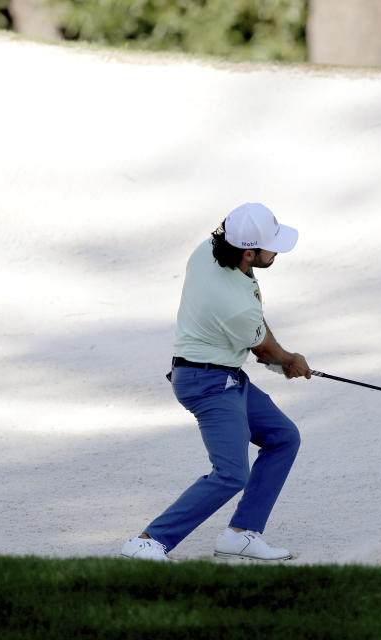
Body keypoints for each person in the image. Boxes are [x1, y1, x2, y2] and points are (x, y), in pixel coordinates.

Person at [121, 202, 311, 562]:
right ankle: (148, 540)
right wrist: (289, 360)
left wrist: (275, 358)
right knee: (230, 473)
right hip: (206, 382)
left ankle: (242, 533)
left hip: (223, 374)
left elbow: (255, 330)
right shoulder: (234, 304)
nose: (277, 252)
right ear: (250, 252)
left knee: (283, 437)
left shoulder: (207, 250)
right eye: (272, 247)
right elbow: (264, 347)